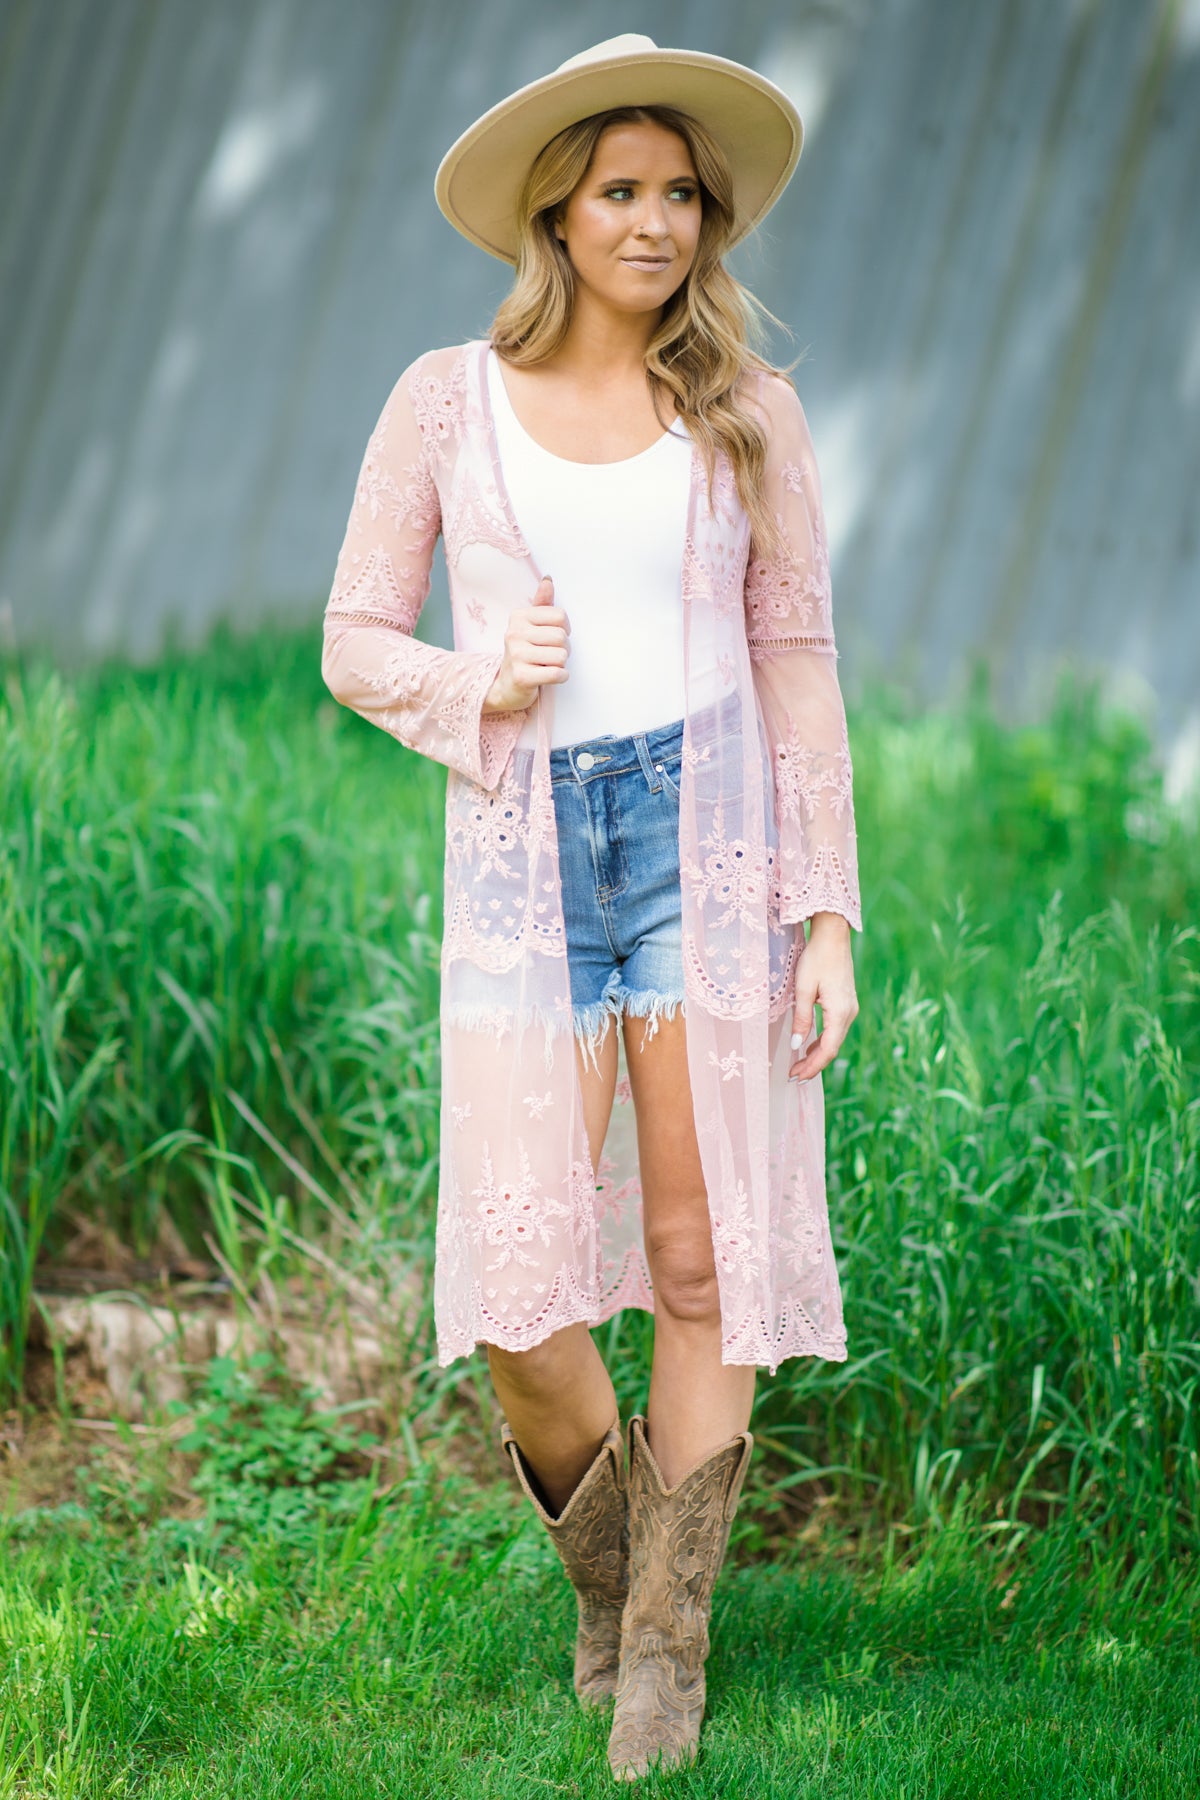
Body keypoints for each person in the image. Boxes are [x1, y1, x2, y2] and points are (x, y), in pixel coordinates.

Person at [322, 33, 861, 1780]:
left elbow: (798, 666)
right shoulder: (442, 402)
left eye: (680, 192)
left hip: (706, 845)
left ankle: (663, 1652)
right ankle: (614, 1579)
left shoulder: (748, 411)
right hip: (530, 857)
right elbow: (351, 641)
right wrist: (477, 682)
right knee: (522, 1296)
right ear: (555, 207)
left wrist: (828, 916)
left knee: (699, 1261)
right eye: (621, 189)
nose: (654, 221)